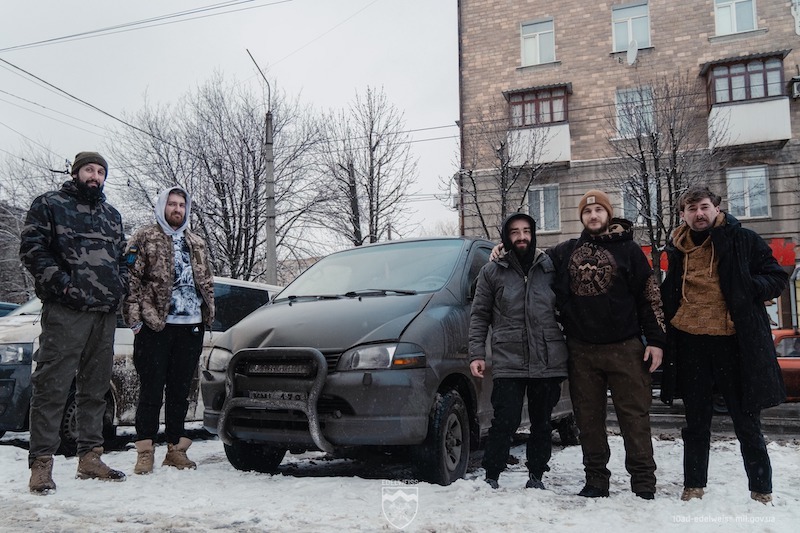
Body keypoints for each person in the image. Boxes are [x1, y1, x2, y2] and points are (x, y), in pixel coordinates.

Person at [491, 189, 665, 499]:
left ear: (608, 213)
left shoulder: (629, 250)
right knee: (588, 419)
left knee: (634, 418)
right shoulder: (566, 251)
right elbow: (529, 257)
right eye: (587, 211)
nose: (593, 215)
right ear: (581, 217)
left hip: (626, 347)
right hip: (582, 350)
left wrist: (655, 340)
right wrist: (503, 249)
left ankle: (643, 484)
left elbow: (649, 296)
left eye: (599, 210)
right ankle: (596, 481)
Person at [660, 186, 787, 504]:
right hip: (691, 343)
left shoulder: (743, 239)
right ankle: (693, 486)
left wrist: (747, 286)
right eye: (692, 209)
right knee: (695, 422)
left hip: (734, 344)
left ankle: (761, 490)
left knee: (746, 421)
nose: (699, 214)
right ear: (683, 214)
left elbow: (776, 277)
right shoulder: (677, 247)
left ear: (717, 208)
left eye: (704, 207)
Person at [19, 151, 128, 494]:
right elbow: (33, 250)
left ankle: (90, 457)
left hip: (104, 313)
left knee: (96, 388)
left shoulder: (112, 215)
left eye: (100, 172)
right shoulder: (50, 204)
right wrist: (65, 286)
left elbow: (124, 258)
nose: (94, 176)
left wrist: (120, 286)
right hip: (66, 311)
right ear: (76, 173)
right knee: (52, 386)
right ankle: (41, 463)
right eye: (88, 170)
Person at [469, 213, 569, 490]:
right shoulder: (492, 271)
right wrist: (476, 354)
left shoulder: (550, 267)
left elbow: (567, 307)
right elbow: (479, 315)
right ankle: (492, 474)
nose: (522, 237)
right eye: (514, 232)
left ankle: (536, 475)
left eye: (526, 231)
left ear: (533, 234)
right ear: (506, 237)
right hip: (508, 357)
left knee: (542, 422)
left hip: (547, 357)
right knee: (505, 420)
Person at [123, 186, 214, 474]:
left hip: (191, 327)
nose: (177, 209)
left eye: (181, 205)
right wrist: (135, 321)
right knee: (151, 390)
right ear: (162, 206)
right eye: (172, 204)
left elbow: (206, 280)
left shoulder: (196, 242)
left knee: (180, 391)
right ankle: (145, 451)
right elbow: (130, 280)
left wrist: (207, 314)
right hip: (155, 326)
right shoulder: (144, 237)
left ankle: (176, 450)